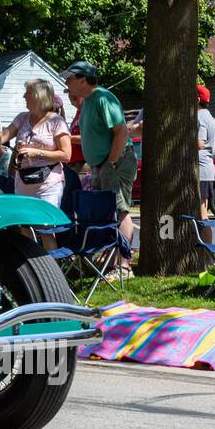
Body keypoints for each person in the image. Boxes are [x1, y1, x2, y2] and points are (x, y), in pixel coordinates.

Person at [62, 60, 136, 274]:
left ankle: (124, 267)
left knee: (120, 211)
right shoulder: (87, 102)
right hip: (100, 165)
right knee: (106, 213)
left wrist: (111, 161)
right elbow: (89, 136)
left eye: (70, 78)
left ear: (83, 80)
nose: (67, 83)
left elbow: (121, 131)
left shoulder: (103, 98)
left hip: (115, 162)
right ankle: (112, 262)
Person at [0, 80, 72, 247]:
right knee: (23, 227)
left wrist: (37, 152)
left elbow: (66, 155)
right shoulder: (22, 118)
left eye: (27, 93)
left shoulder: (56, 121)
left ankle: (50, 270)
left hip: (48, 184)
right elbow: (6, 134)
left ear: (38, 96)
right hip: (23, 182)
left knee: (45, 228)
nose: (24, 96)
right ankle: (31, 266)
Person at [196, 85, 215, 224]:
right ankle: (204, 244)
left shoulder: (199, 117)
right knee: (201, 212)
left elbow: (200, 143)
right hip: (207, 169)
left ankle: (206, 245)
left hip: (201, 171)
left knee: (202, 214)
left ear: (197, 99)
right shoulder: (209, 116)